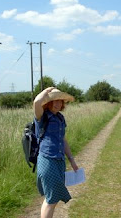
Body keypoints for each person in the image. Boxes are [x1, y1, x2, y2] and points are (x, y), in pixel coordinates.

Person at [33, 87, 79, 218]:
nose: (58, 104)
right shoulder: (42, 116)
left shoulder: (60, 118)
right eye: (54, 100)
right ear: (48, 102)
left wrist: (72, 160)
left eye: (60, 101)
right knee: (52, 198)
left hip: (59, 161)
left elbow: (63, 140)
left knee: (51, 197)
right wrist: (47, 90)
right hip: (47, 160)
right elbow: (36, 102)